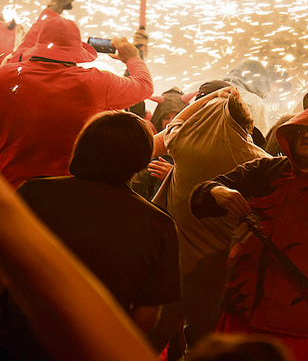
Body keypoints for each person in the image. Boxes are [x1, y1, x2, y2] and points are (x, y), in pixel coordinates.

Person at [189, 98, 308, 361]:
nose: (306, 137)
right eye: (300, 131)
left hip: (295, 318)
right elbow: (202, 196)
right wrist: (217, 190)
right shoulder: (265, 171)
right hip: (240, 308)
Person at [0, 111, 181, 360]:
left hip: (18, 340)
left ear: (81, 147)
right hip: (92, 348)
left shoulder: (37, 191)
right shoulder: (159, 224)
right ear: (141, 161)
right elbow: (146, 316)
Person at [146, 86, 270, 356]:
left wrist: (214, 98)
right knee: (202, 346)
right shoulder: (260, 163)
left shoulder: (185, 144)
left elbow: (177, 122)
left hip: (169, 267)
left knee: (148, 339)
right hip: (216, 274)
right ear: (248, 124)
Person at [0, 0, 154, 189]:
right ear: (76, 51)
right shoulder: (96, 83)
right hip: (64, 193)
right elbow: (144, 85)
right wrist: (133, 57)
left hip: (11, 191)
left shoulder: (8, 75)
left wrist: (51, 10)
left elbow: (25, 46)